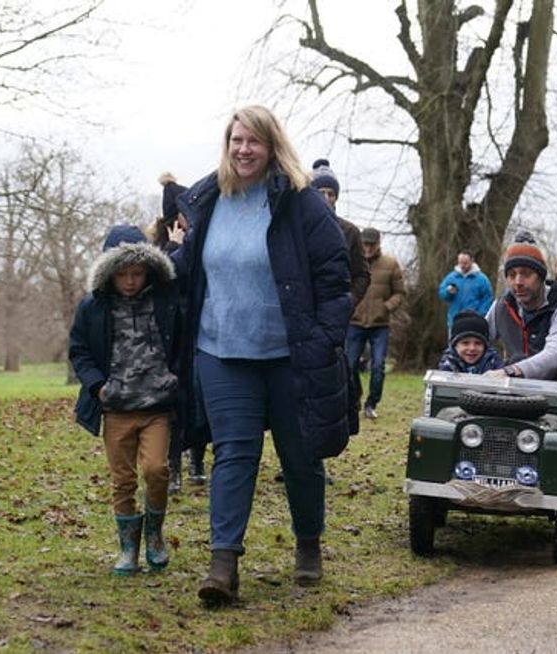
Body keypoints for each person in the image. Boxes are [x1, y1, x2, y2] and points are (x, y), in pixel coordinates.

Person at [170, 106, 351, 605]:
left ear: (272, 147)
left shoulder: (302, 203)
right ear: (226, 145)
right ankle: (222, 565)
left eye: (253, 141)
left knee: (300, 455)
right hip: (222, 350)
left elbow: (336, 277)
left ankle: (308, 543)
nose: (244, 149)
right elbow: (189, 268)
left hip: (290, 354)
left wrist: (324, 338)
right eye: (236, 140)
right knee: (234, 453)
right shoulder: (208, 200)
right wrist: (155, 268)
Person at [69, 225, 179, 576]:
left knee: (157, 469)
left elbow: (182, 338)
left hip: (157, 406)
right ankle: (128, 548)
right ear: (109, 272)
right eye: (122, 274)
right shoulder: (93, 307)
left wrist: (174, 377)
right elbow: (79, 351)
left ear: (149, 270)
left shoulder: (164, 301)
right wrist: (98, 387)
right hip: (116, 408)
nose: (130, 281)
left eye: (137, 273)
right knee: (123, 479)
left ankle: (155, 535)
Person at [484, 231, 557, 406]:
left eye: (526, 274)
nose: (518, 282)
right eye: (512, 275)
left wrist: (510, 371)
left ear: (541, 277)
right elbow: (476, 338)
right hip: (516, 386)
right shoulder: (501, 305)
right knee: (515, 358)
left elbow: (556, 354)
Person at [310, 158, 371, 437]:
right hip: (302, 313)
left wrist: (347, 303)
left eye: (330, 193)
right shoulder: (298, 227)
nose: (326, 198)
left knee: (334, 374)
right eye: (320, 192)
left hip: (335, 316)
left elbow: (362, 274)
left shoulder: (349, 231)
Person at [155, 172, 206, 494]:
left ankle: (196, 460)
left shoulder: (201, 240)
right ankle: (172, 465)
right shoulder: (160, 247)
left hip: (199, 331)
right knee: (174, 401)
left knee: (200, 398)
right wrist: (173, 247)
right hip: (171, 338)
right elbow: (161, 279)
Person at [347, 227, 405, 420]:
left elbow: (399, 293)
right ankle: (355, 398)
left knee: (378, 366)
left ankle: (371, 404)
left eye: (372, 244)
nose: (368, 248)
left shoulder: (390, 264)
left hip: (380, 325)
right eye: (365, 244)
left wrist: (386, 307)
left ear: (378, 244)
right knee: (349, 365)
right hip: (354, 322)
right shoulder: (352, 262)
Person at [438, 250, 493, 335]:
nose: (462, 266)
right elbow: (441, 293)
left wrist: (480, 314)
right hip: (454, 321)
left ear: (472, 261)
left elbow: (487, 298)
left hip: (473, 322)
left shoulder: (482, 279)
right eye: (460, 263)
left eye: (465, 263)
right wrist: (448, 292)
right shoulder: (451, 277)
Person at [437, 310, 503, 374]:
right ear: (455, 345)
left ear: (485, 346)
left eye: (478, 343)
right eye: (465, 343)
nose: (472, 348)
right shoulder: (449, 362)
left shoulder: (493, 361)